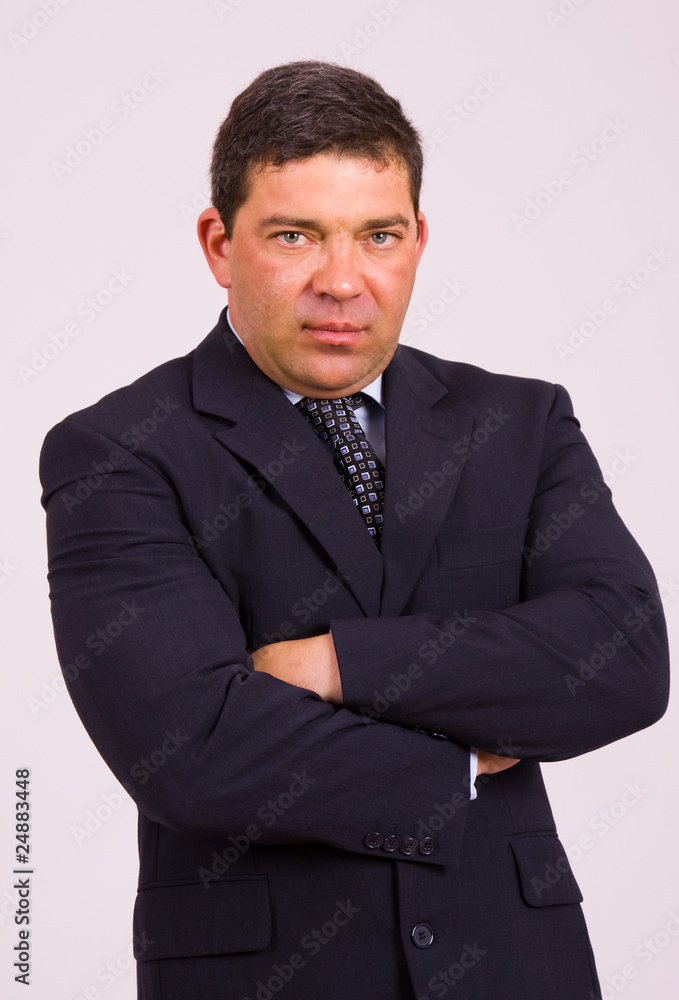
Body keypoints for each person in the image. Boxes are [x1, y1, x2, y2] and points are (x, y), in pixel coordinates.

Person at [39, 61, 669, 1000]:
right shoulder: (121, 449)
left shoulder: (522, 422)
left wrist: (339, 664)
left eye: (378, 236)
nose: (342, 282)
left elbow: (623, 660)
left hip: (514, 964)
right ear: (219, 244)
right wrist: (460, 761)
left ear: (418, 239)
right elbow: (192, 750)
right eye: (294, 236)